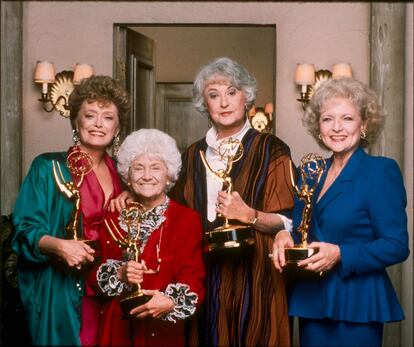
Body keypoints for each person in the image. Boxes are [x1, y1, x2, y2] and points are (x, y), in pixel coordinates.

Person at [271, 77, 410, 347]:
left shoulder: (380, 171)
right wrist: (282, 235)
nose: (336, 128)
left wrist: (340, 253)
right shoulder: (311, 174)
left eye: (347, 118)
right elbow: (300, 228)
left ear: (365, 125)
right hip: (312, 300)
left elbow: (397, 245)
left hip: (357, 303)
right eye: (327, 119)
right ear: (318, 127)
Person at [170, 57, 295, 346]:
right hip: (205, 275)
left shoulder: (271, 149)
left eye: (232, 92)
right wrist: (131, 195)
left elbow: (289, 221)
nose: (224, 102)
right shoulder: (191, 156)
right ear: (205, 104)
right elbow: (174, 214)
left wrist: (249, 214)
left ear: (246, 97)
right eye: (214, 95)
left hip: (258, 275)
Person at [11, 75, 130, 346]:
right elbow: (23, 232)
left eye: (108, 117)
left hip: (112, 292)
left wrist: (132, 196)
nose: (99, 124)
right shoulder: (48, 168)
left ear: (118, 126)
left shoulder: (124, 175)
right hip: (63, 289)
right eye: (90, 115)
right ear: (76, 121)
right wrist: (60, 246)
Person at [93, 128, 205, 347]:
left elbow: (194, 278)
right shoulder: (113, 214)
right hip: (117, 327)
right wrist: (119, 273)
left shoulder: (187, 219)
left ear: (169, 174)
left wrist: (171, 301)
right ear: (127, 174)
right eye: (138, 168)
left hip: (164, 329)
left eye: (156, 168)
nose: (146, 176)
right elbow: (93, 275)